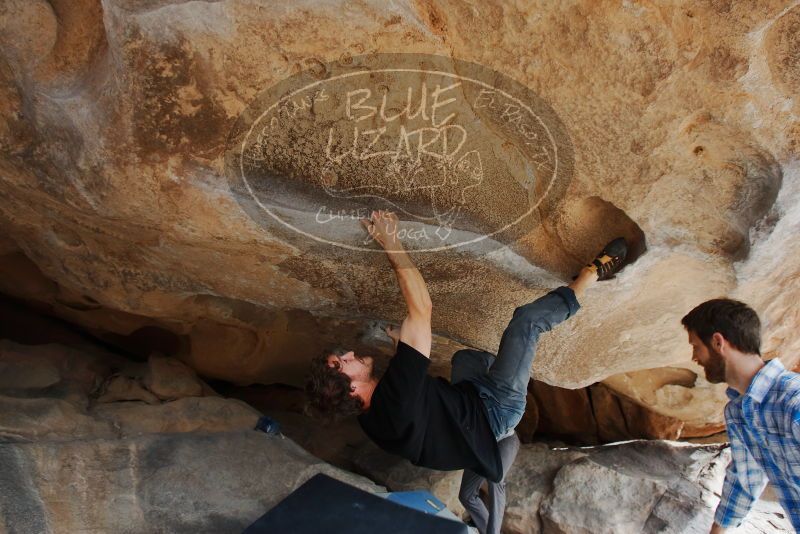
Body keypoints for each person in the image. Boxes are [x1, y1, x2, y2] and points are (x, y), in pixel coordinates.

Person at [306, 209, 627, 484]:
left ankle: (511, 361)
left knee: (464, 358)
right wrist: (392, 243)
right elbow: (421, 308)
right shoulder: (396, 397)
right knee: (524, 323)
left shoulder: (368, 416)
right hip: (497, 411)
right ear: (351, 391)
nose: (348, 353)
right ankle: (589, 276)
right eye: (342, 363)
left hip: (466, 403)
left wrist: (403, 346)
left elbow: (415, 410)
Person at [682, 299, 800, 533]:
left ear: (718, 342)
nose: (694, 357)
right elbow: (746, 479)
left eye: (696, 346)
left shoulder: (793, 400)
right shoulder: (738, 413)